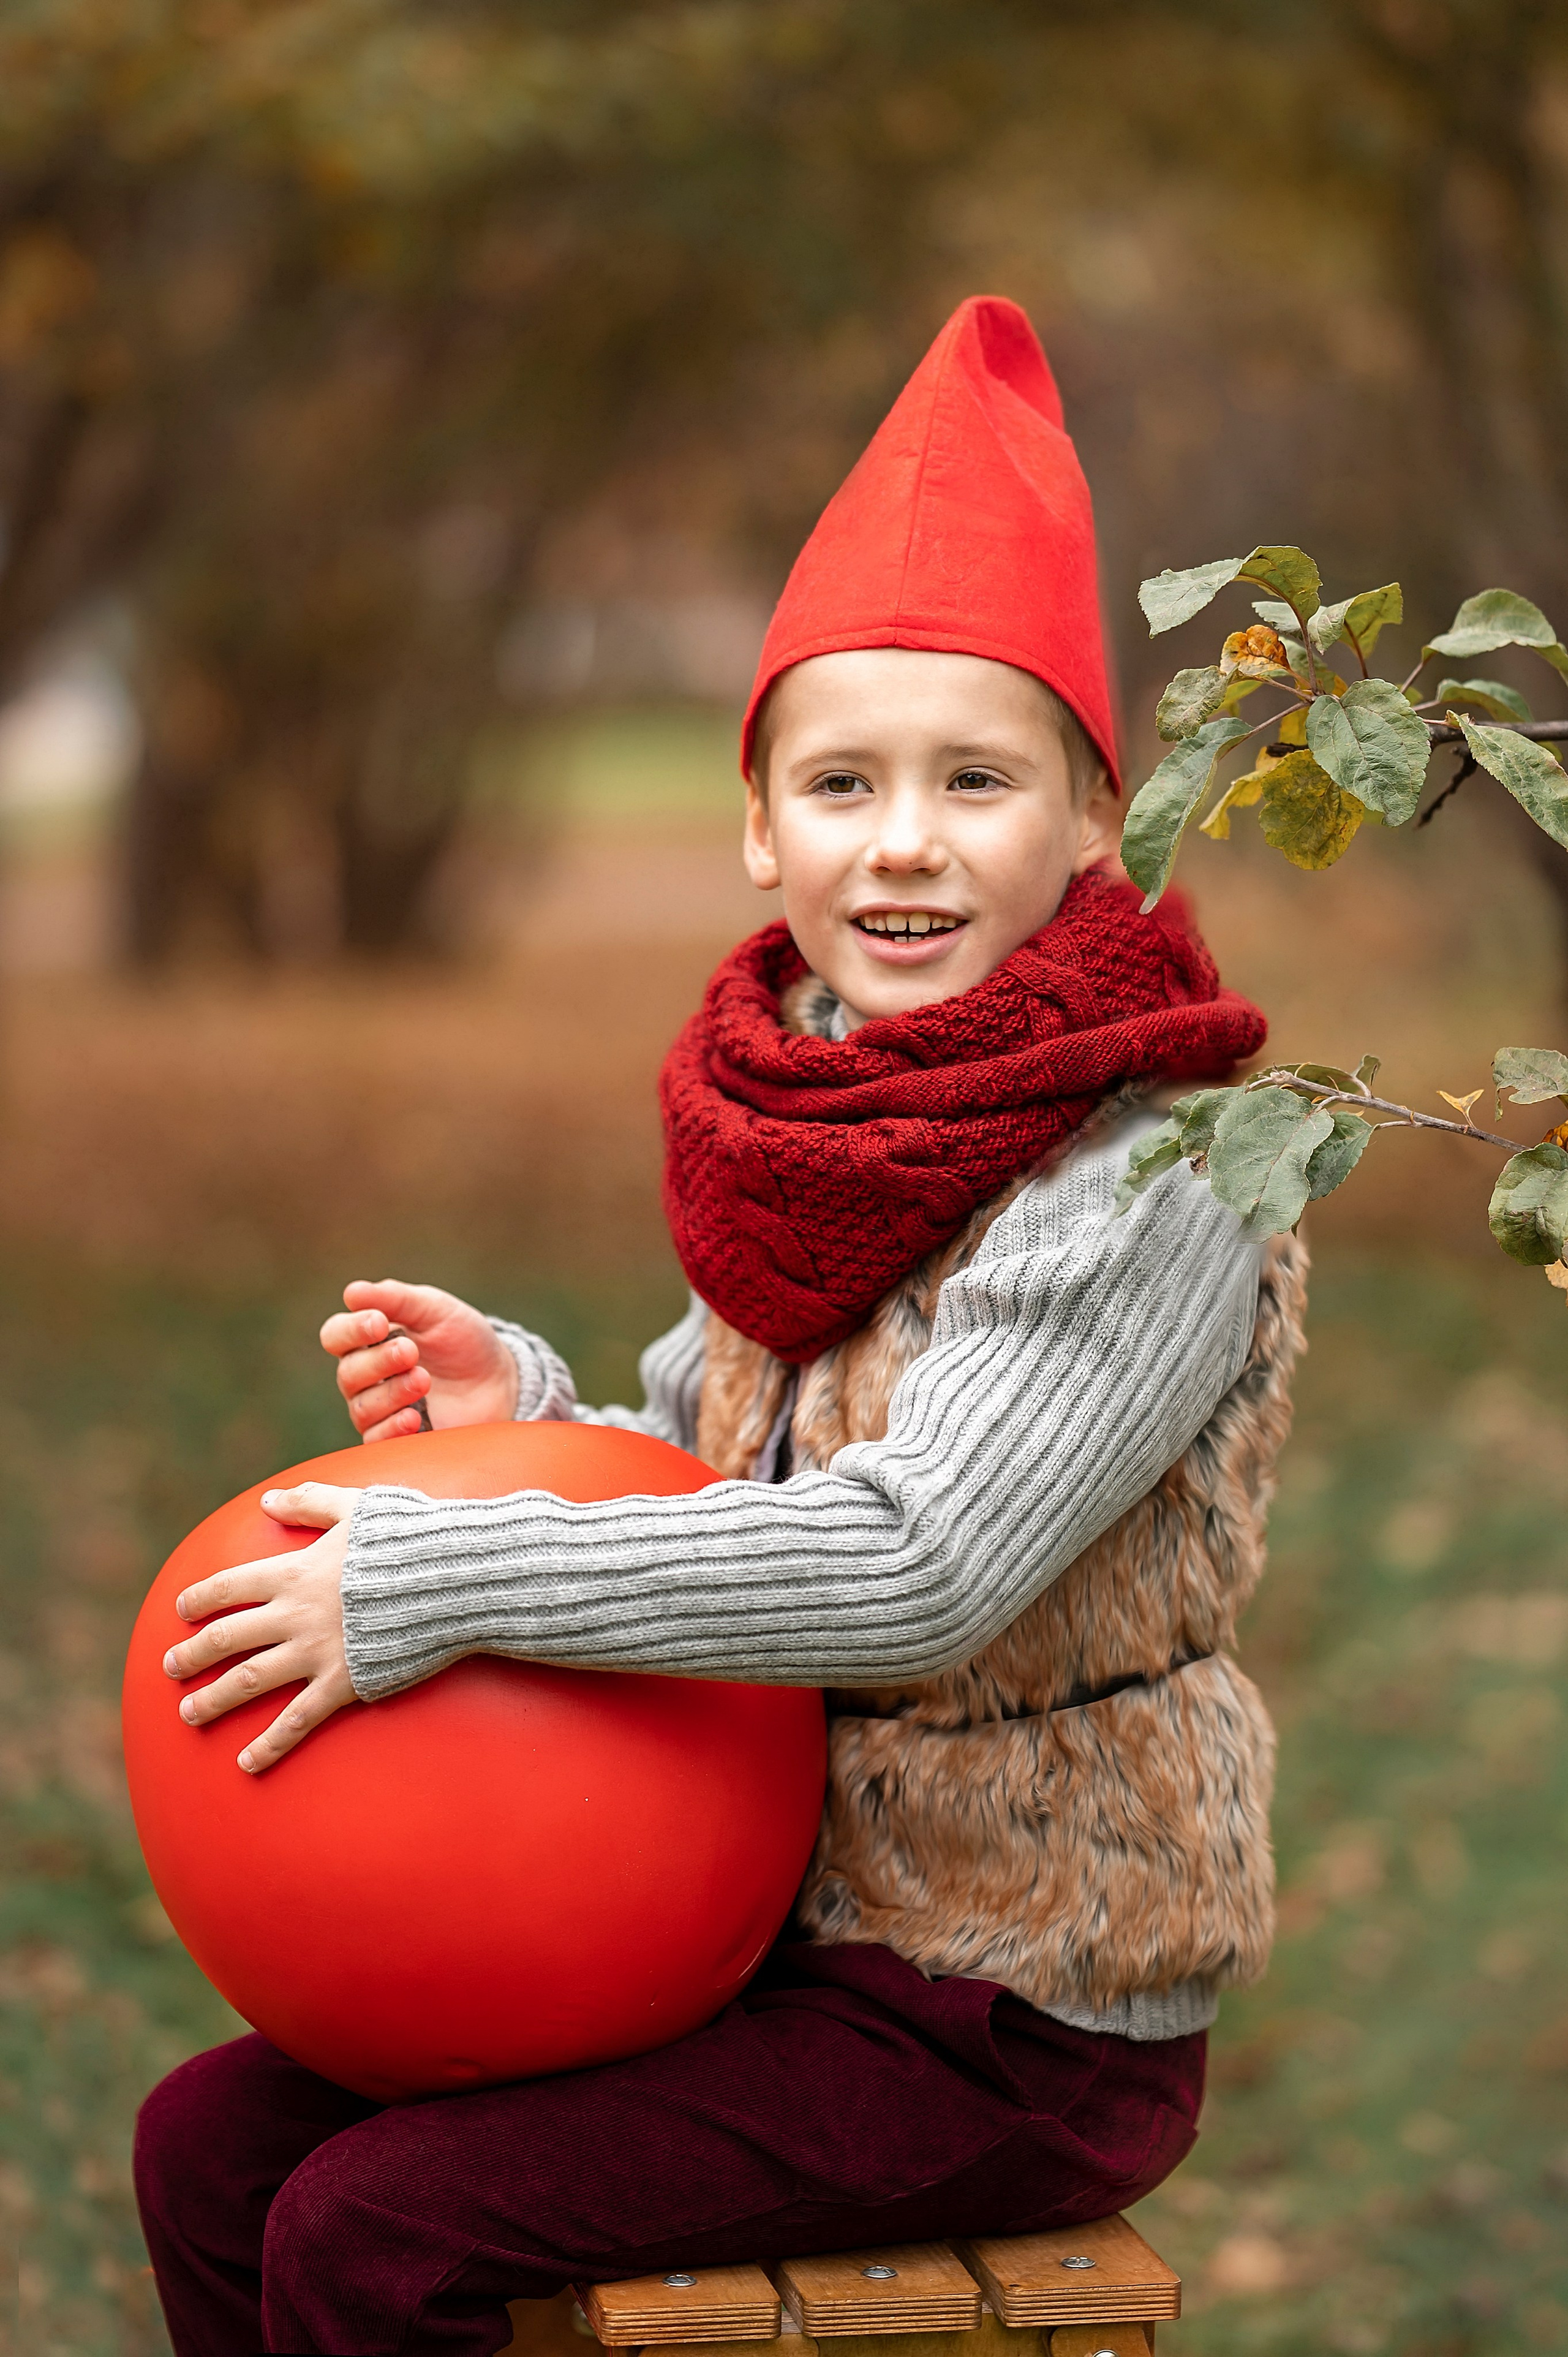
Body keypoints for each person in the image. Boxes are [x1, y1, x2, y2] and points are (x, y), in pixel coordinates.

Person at [134, 296, 1304, 2357]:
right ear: (763, 831)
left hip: (1013, 2002)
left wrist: (456, 1570)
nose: (908, 838)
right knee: (216, 2151)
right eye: (843, 781)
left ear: (1095, 825)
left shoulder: (1155, 1170)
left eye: (978, 779)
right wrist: (540, 1413)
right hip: (761, 1932)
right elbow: (719, 1485)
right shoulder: (826, 1117)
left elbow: (916, 1564)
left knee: (378, 2238)